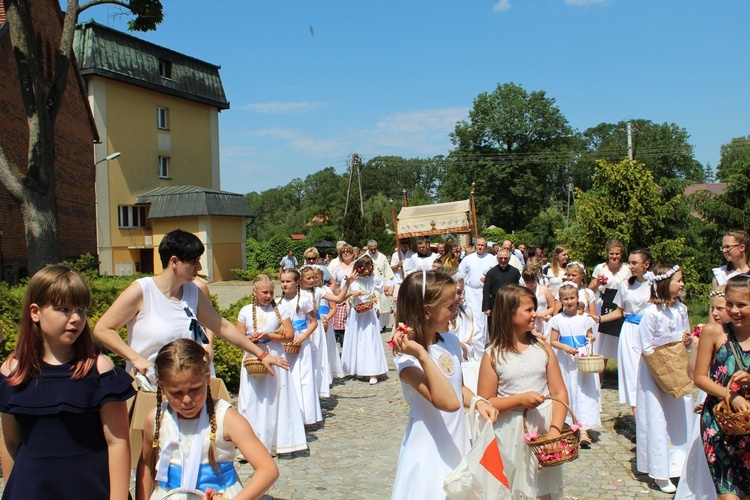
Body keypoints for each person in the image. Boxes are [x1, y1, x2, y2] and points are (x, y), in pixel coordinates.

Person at [0, 266, 135, 499]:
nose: (75, 319)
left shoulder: (99, 370)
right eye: (63, 309)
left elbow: (118, 443)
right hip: (30, 490)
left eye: (80, 310)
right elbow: (11, 442)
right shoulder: (13, 371)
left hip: (90, 490)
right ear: (35, 312)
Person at [94, 229, 288, 378]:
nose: (199, 267)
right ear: (174, 261)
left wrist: (260, 354)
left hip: (188, 391)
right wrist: (137, 360)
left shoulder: (192, 292)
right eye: (194, 261)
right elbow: (103, 329)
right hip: (150, 390)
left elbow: (222, 326)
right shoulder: (142, 290)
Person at [391, 270, 498, 499]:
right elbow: (447, 402)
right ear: (426, 311)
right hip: (428, 448)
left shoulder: (450, 341)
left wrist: (478, 401)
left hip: (456, 441)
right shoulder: (408, 360)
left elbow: (457, 388)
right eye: (449, 307)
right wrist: (421, 353)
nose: (455, 311)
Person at [136, 339, 278, 499]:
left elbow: (268, 470)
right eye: (176, 392)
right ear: (161, 386)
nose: (187, 399)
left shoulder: (226, 418)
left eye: (195, 389)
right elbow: (147, 464)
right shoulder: (156, 419)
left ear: (207, 378)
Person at [478, 285, 568, 499]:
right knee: (513, 489)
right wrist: (519, 400)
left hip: (543, 431)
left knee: (542, 490)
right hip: (510, 432)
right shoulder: (493, 355)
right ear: (509, 314)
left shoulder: (543, 349)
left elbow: (559, 392)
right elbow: (485, 401)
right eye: (528, 310)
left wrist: (555, 429)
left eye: (534, 309)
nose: (535, 314)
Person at [635, 264, 694, 494]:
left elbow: (685, 340)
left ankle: (679, 464)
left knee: (681, 414)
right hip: (655, 373)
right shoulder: (651, 312)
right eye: (678, 280)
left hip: (677, 370)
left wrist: (687, 341)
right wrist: (663, 366)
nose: (682, 284)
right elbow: (646, 345)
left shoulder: (681, 309)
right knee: (658, 417)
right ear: (663, 284)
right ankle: (660, 470)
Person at [235, 274, 307, 456]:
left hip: (274, 356)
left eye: (271, 292)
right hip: (253, 358)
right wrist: (249, 338)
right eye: (264, 292)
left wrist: (268, 335)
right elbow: (238, 336)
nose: (268, 296)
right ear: (254, 292)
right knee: (252, 400)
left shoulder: (281, 310)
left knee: (274, 398)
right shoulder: (245, 311)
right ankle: (250, 446)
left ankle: (276, 442)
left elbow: (289, 335)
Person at [694, 274, 750, 498]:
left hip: (747, 422)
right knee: (727, 493)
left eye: (742, 305)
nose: (734, 311)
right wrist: (731, 395)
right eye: (730, 304)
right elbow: (700, 377)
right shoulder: (714, 332)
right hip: (718, 422)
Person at [675, 289, 730, 500]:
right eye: (712, 308)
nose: (715, 313)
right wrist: (695, 347)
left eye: (720, 308)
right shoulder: (706, 333)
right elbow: (693, 373)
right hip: (709, 396)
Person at [594, 249, 653, 413]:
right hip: (630, 332)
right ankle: (639, 424)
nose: (631, 266)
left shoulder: (655, 283)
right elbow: (619, 311)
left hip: (650, 331)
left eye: (634, 263)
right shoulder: (626, 285)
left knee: (652, 375)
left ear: (646, 264)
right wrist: (599, 318)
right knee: (633, 376)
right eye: (630, 262)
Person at [548, 281, 600, 448]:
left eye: (572, 298)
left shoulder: (584, 319)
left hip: (581, 357)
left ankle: (583, 428)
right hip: (566, 359)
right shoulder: (558, 320)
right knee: (569, 388)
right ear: (561, 300)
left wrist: (591, 338)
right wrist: (564, 347)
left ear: (577, 298)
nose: (569, 301)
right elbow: (553, 341)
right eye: (566, 299)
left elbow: (590, 335)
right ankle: (570, 424)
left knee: (583, 391)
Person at [299, 265, 355, 398]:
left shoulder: (319, 291)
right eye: (309, 278)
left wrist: (346, 284)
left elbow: (338, 299)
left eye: (314, 277)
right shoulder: (297, 292)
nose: (312, 280)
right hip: (301, 327)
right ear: (300, 279)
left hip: (315, 326)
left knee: (317, 357)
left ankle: (316, 388)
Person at [278, 269, 322, 426]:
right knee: (289, 376)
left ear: (297, 283)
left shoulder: (303, 300)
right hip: (286, 342)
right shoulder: (278, 302)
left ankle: (307, 416)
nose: (285, 284)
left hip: (302, 342)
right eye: (282, 281)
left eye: (288, 281)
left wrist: (303, 337)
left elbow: (314, 322)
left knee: (303, 376)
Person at [341, 256, 388, 385]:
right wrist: (351, 293)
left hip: (368, 314)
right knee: (356, 340)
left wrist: (387, 290)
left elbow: (382, 289)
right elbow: (341, 295)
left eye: (368, 267)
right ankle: (358, 369)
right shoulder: (352, 279)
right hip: (355, 314)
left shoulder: (373, 278)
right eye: (364, 268)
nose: (366, 271)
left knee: (369, 340)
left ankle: (373, 371)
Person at [588, 239, 631, 367]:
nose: (614, 256)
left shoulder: (627, 268)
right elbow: (590, 290)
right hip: (604, 304)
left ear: (621, 254)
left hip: (620, 306)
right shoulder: (600, 268)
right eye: (612, 253)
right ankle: (599, 378)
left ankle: (622, 375)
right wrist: (597, 283)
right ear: (607, 253)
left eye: (617, 254)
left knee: (621, 341)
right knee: (602, 343)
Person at [458, 237, 496, 345]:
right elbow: (461, 275)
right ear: (475, 246)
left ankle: (483, 343)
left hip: (484, 292)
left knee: (482, 318)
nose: (480, 247)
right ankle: (471, 342)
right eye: (478, 245)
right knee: (472, 316)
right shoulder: (468, 259)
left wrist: (488, 280)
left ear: (486, 247)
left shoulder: (491, 259)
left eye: (482, 245)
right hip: (471, 292)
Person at [482, 249, 522, 327]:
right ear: (497, 259)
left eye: (505, 258)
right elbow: (486, 291)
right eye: (501, 258)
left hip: (511, 304)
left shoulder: (515, 272)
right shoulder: (491, 273)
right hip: (495, 304)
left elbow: (519, 290)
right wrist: (487, 308)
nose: (503, 260)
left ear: (509, 259)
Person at [366, 240, 396, 330]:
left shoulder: (382, 257)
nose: (373, 251)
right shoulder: (365, 257)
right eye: (371, 249)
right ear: (368, 248)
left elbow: (388, 272)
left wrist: (390, 285)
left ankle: (382, 325)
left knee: (383, 306)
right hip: (369, 284)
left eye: (375, 249)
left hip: (381, 284)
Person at [331, 243, 357, 347]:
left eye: (348, 251)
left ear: (352, 253)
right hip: (341, 296)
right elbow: (332, 283)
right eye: (343, 252)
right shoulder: (337, 268)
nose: (346, 253)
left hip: (354, 295)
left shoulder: (356, 265)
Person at [522, 267, 554, 339]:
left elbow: (552, 307)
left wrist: (543, 314)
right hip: (530, 322)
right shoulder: (523, 292)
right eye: (528, 281)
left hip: (544, 320)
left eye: (532, 281)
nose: (531, 284)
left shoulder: (544, 289)